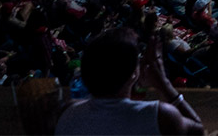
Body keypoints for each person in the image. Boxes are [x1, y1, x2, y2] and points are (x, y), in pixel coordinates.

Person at [56, 25, 204, 135]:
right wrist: (163, 83)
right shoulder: (159, 115)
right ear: (134, 73)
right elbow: (198, 131)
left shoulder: (67, 112)